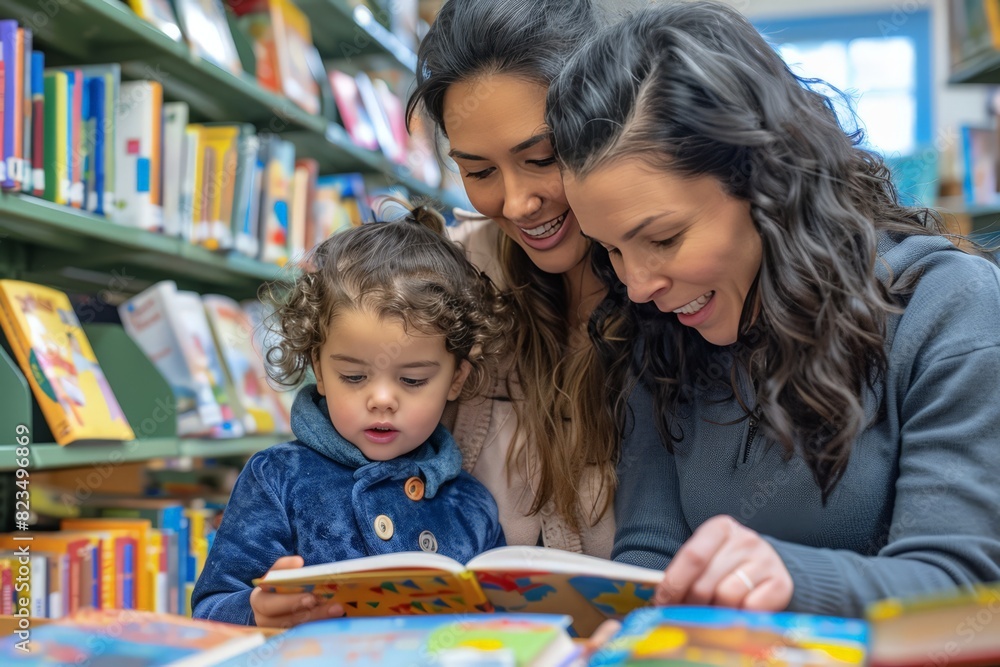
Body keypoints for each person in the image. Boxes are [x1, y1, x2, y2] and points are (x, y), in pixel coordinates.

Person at [545, 1, 1000, 618]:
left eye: (663, 238)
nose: (637, 285)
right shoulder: (662, 330)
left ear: (767, 183)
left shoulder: (949, 307)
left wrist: (785, 578)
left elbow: (966, 590)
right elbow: (651, 555)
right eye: (611, 250)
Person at [191, 203, 509, 627]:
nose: (381, 399)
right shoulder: (277, 478)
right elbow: (210, 610)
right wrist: (255, 611)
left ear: (456, 380)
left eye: (412, 380)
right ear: (319, 370)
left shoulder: (472, 505)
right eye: (354, 376)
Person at [407, 0, 621, 557]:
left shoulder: (684, 291)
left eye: (544, 157)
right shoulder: (447, 285)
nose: (519, 203)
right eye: (478, 172)